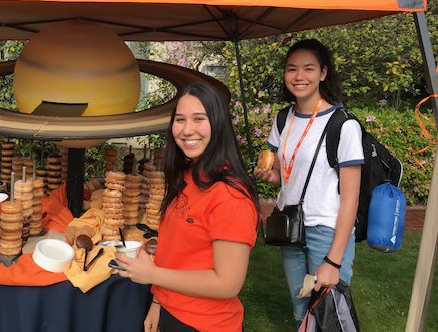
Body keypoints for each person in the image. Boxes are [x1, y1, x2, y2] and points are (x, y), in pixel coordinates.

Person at [116, 82, 260, 331]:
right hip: (172, 313)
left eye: (198, 119)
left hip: (206, 323)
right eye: (180, 119)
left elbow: (227, 284)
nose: (187, 130)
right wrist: (158, 300)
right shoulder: (189, 175)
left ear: (218, 124)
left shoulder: (230, 196)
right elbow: (176, 252)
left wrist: (152, 275)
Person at [254, 39, 363, 327]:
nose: (299, 76)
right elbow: (283, 174)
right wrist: (270, 175)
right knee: (301, 308)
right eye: (292, 69)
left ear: (323, 73)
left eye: (308, 68)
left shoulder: (343, 124)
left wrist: (334, 261)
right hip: (291, 227)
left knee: (328, 312)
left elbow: (351, 199)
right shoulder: (283, 118)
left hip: (326, 230)